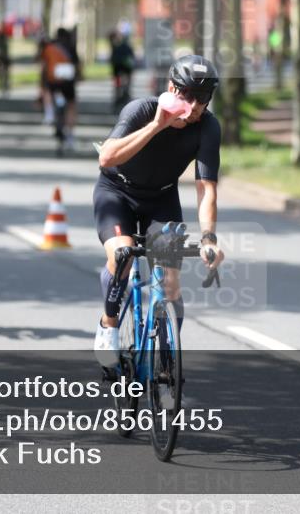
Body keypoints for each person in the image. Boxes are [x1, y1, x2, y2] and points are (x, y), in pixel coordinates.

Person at [92, 54, 226, 366]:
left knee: (170, 282)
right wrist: (157, 126)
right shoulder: (140, 110)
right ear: (171, 89)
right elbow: (107, 158)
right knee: (122, 254)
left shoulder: (207, 127)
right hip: (117, 193)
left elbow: (206, 189)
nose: (193, 107)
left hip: (161, 199)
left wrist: (208, 238)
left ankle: (167, 362)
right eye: (187, 96)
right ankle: (108, 324)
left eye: (202, 99)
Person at [39, 31, 79, 150]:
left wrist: (42, 81)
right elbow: (77, 65)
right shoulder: (70, 47)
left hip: (53, 79)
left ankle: (50, 115)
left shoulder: (49, 47)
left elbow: (44, 65)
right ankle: (71, 135)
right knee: (71, 105)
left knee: (49, 93)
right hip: (67, 79)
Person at [109, 29, 136, 111]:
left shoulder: (115, 46)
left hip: (118, 68)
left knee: (118, 85)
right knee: (124, 83)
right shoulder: (126, 47)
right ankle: (124, 95)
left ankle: (120, 97)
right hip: (125, 69)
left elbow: (113, 59)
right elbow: (132, 58)